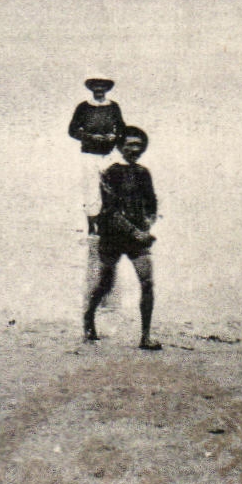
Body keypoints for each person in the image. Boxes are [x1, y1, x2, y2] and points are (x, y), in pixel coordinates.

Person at [84, 126, 159, 350]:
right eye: (129, 145)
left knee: (147, 283)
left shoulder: (144, 173)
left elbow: (152, 204)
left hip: (137, 237)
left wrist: (147, 224)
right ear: (120, 146)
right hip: (113, 236)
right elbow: (111, 211)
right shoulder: (111, 172)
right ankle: (89, 318)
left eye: (138, 145)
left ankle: (146, 336)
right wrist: (135, 231)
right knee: (105, 284)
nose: (133, 149)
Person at [68, 78, 126, 233]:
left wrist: (114, 137)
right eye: (96, 86)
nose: (99, 89)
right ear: (91, 88)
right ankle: (92, 226)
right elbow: (72, 130)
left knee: (112, 187)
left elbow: (122, 129)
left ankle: (108, 223)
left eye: (102, 86)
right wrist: (89, 137)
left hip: (108, 154)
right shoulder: (84, 107)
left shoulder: (113, 107)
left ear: (107, 89)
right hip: (89, 155)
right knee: (91, 189)